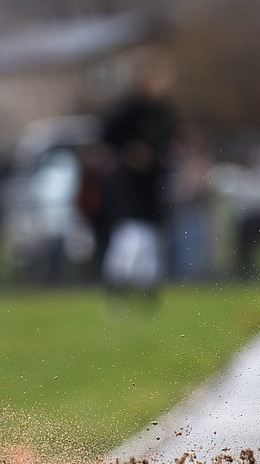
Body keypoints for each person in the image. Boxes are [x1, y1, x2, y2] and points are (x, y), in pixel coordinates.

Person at [100, 51, 179, 293]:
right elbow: (108, 139)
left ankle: (147, 284)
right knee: (131, 236)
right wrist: (130, 154)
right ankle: (118, 280)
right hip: (130, 185)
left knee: (151, 237)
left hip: (153, 183)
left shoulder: (163, 111)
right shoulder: (128, 110)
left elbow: (171, 138)